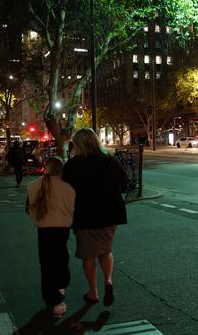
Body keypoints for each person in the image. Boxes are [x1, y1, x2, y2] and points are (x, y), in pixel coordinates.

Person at [62, 128, 128, 307]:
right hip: (110, 213)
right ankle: (108, 280)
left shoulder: (72, 165)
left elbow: (65, 191)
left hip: (85, 215)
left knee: (88, 254)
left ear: (77, 145)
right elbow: (125, 183)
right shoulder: (110, 161)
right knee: (105, 250)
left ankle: (93, 291)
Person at [26, 157, 76, 318]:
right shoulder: (68, 187)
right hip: (63, 229)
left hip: (44, 230)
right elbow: (73, 209)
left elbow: (29, 209)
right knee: (62, 258)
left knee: (47, 265)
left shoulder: (33, 186)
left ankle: (54, 301)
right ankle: (60, 288)